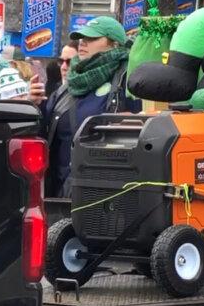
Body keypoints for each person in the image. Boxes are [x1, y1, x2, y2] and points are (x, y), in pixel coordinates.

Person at [43, 16, 140, 197]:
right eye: (81, 38)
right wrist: (36, 105)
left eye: (92, 38)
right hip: (61, 192)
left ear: (114, 44)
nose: (83, 43)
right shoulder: (68, 86)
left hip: (107, 191)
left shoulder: (129, 79)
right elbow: (45, 130)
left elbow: (147, 125)